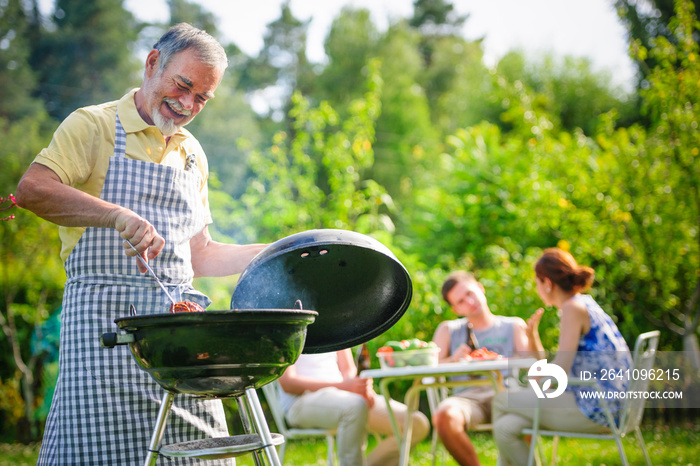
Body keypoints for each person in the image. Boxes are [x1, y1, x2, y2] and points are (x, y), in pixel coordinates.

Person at [15, 23, 267, 464]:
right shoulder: (93, 126)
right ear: (153, 63)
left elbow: (199, 254)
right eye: (183, 85)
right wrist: (115, 214)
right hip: (103, 333)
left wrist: (273, 253)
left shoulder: (192, 153)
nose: (188, 104)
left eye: (202, 98)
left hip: (182, 343)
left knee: (198, 456)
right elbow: (33, 190)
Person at [491, 248, 632, 466]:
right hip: (608, 403)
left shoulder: (572, 309)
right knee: (505, 428)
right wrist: (533, 337)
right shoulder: (584, 303)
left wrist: (536, 382)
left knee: (501, 399)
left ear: (546, 282)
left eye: (537, 282)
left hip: (597, 408)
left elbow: (559, 372)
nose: (537, 288)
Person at [431, 271, 543, 466]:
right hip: (468, 398)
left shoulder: (513, 325)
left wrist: (531, 338)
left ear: (480, 288)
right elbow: (429, 367)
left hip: (506, 392)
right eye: (461, 301)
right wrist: (453, 360)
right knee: (443, 416)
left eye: (470, 293)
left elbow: (536, 363)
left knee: (525, 408)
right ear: (456, 309)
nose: (469, 301)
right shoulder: (448, 329)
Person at [277, 348, 430, 466]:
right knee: (354, 406)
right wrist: (346, 386)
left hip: (345, 395)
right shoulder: (290, 321)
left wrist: (360, 388)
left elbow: (349, 371)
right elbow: (288, 383)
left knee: (416, 424)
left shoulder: (335, 318)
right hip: (301, 402)